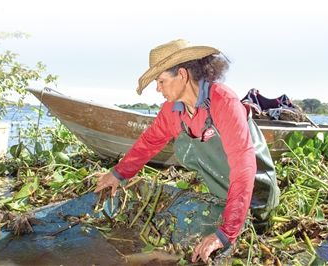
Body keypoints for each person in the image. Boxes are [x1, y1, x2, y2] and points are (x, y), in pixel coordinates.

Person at [95, 39, 280, 263]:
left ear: (182, 75)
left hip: (255, 199)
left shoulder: (224, 102)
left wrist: (226, 233)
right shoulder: (173, 111)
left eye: (161, 81)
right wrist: (118, 174)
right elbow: (149, 142)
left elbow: (244, 169)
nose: (158, 88)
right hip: (223, 196)